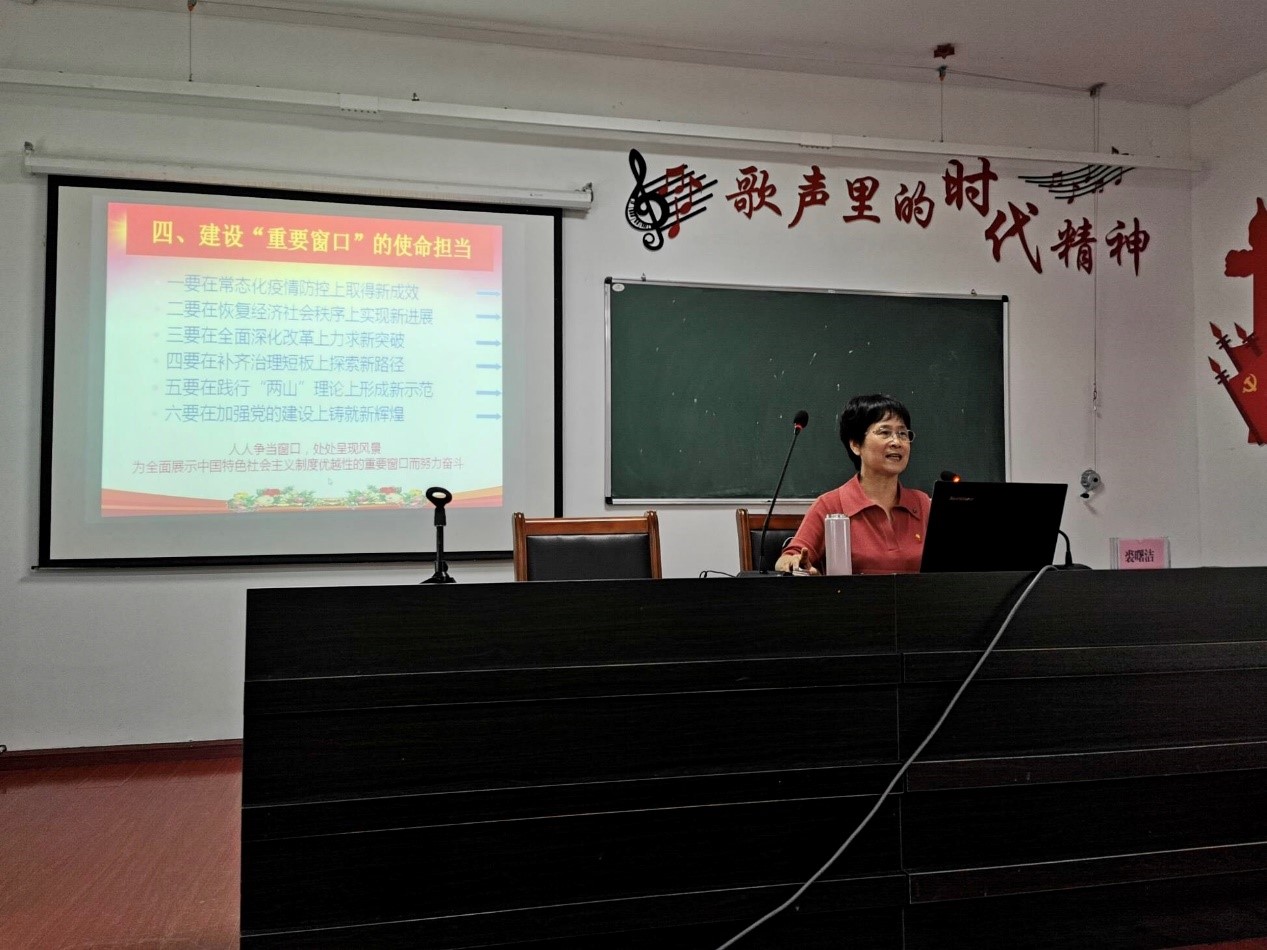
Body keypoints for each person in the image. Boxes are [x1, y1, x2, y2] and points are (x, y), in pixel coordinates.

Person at [774, 393, 929, 575]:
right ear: (855, 444)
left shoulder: (922, 504)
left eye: (902, 433)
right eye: (885, 432)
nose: (897, 442)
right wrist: (794, 564)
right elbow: (788, 558)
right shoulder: (831, 505)